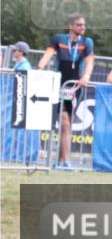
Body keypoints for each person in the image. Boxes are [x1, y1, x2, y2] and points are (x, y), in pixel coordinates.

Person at [37, 14, 94, 167]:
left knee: (66, 124)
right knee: (62, 121)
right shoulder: (59, 39)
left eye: (84, 25)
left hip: (74, 86)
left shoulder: (87, 42)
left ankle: (63, 161)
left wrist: (86, 76)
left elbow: (90, 61)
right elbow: (48, 54)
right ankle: (63, 160)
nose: (83, 27)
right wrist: (40, 69)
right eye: (79, 25)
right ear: (70, 26)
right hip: (57, 84)